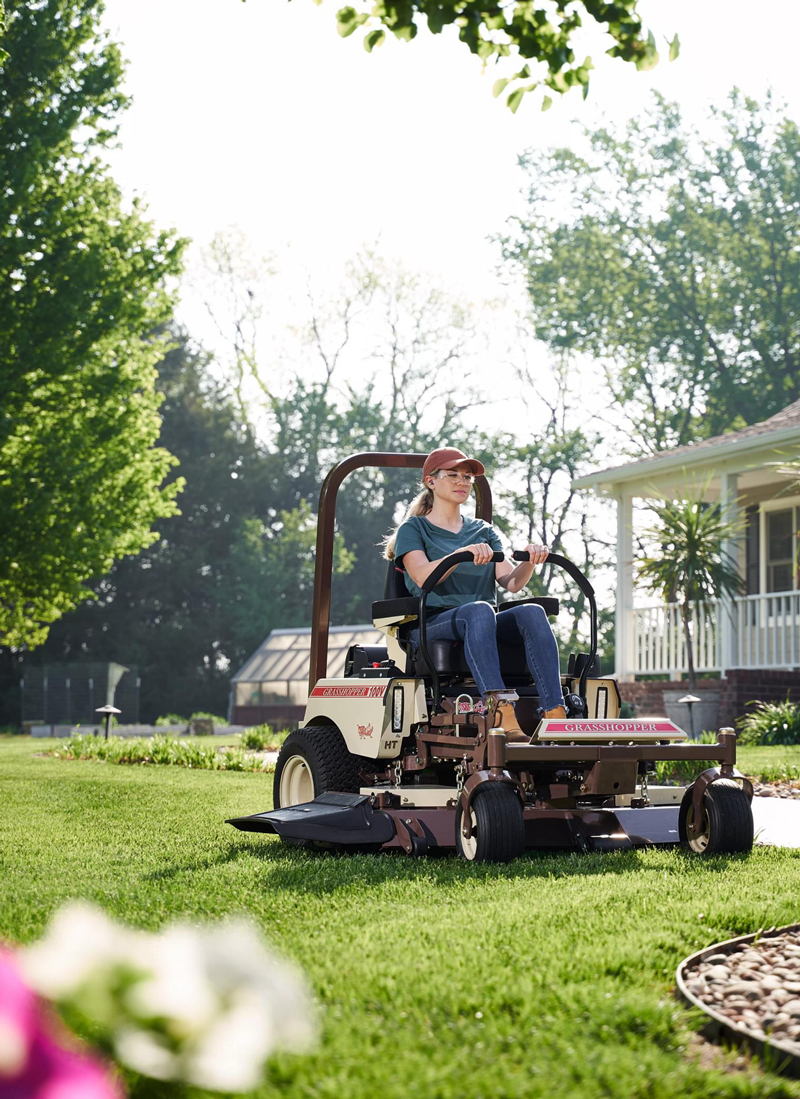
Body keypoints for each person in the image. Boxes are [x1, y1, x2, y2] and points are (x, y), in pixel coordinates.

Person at [383, 446, 567, 742]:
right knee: (479, 610)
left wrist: (529, 562)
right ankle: (500, 709)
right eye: (453, 475)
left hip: (481, 621)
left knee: (532, 611)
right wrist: (460, 554)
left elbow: (511, 582)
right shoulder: (413, 529)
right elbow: (422, 576)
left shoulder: (482, 531)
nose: (462, 482)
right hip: (431, 624)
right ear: (431, 481)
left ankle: (555, 713)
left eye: (467, 477)